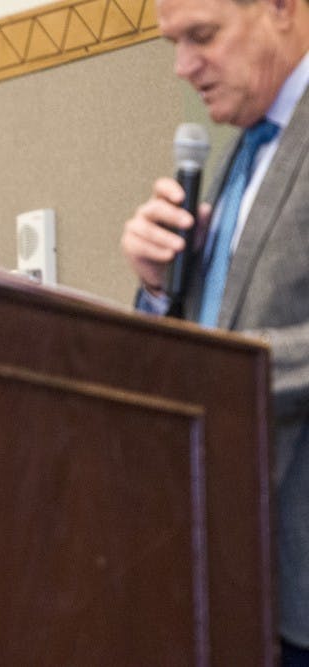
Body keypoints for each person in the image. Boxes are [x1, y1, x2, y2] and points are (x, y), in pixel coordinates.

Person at [120, 0, 309, 662]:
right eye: (174, 43)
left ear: (282, 9)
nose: (183, 67)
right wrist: (157, 286)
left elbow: (223, 359)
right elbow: (219, 326)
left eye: (202, 37)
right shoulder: (245, 149)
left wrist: (214, 376)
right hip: (230, 573)